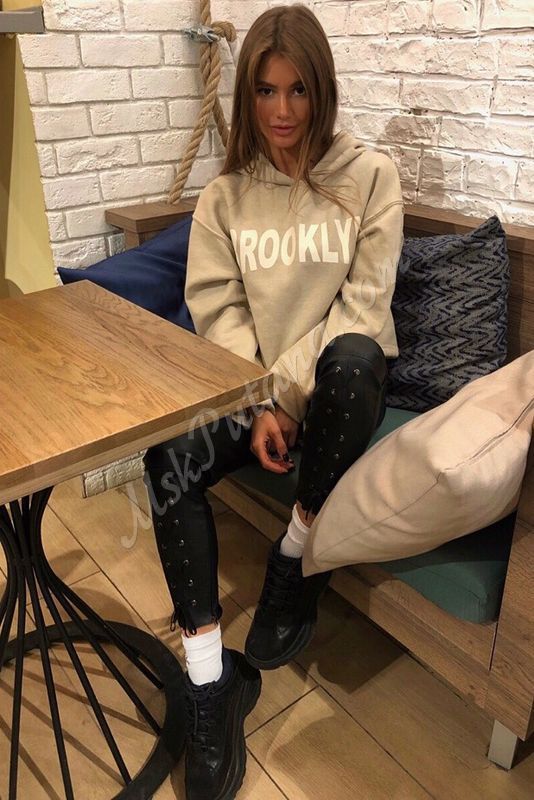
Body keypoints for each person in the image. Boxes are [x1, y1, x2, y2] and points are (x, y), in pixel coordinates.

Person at [143, 4, 404, 799]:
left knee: (353, 361)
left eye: (298, 90)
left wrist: (285, 399)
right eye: (264, 91)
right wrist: (258, 402)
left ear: (322, 89)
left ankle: (294, 560)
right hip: (250, 392)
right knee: (167, 454)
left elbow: (360, 308)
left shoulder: (371, 177)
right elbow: (217, 313)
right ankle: (210, 682)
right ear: (246, 96)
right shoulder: (223, 199)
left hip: (337, 391)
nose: (282, 110)